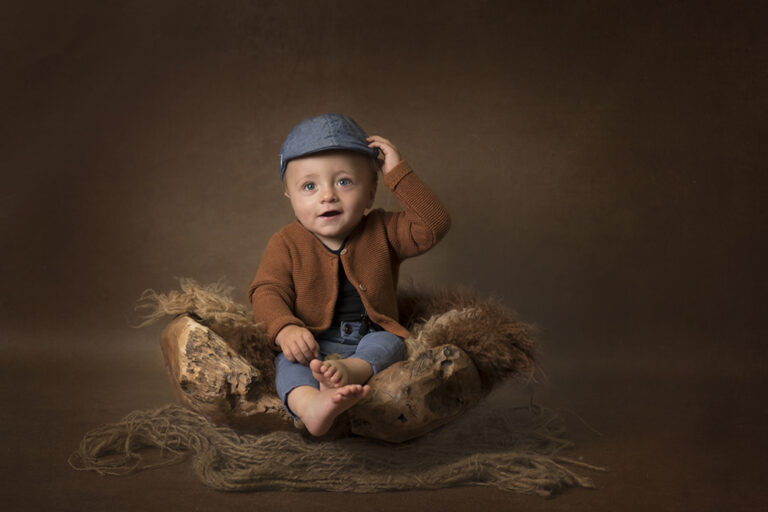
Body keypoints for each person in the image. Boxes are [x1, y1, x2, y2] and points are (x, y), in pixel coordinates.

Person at [249, 113, 450, 436]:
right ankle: (310, 405)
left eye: (344, 182)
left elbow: (433, 225)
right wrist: (285, 329)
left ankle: (349, 371)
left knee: (390, 344)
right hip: (311, 340)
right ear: (290, 196)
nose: (327, 195)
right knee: (288, 363)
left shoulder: (383, 229)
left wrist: (398, 174)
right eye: (309, 186)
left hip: (369, 335)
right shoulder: (286, 242)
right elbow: (266, 291)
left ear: (371, 192)